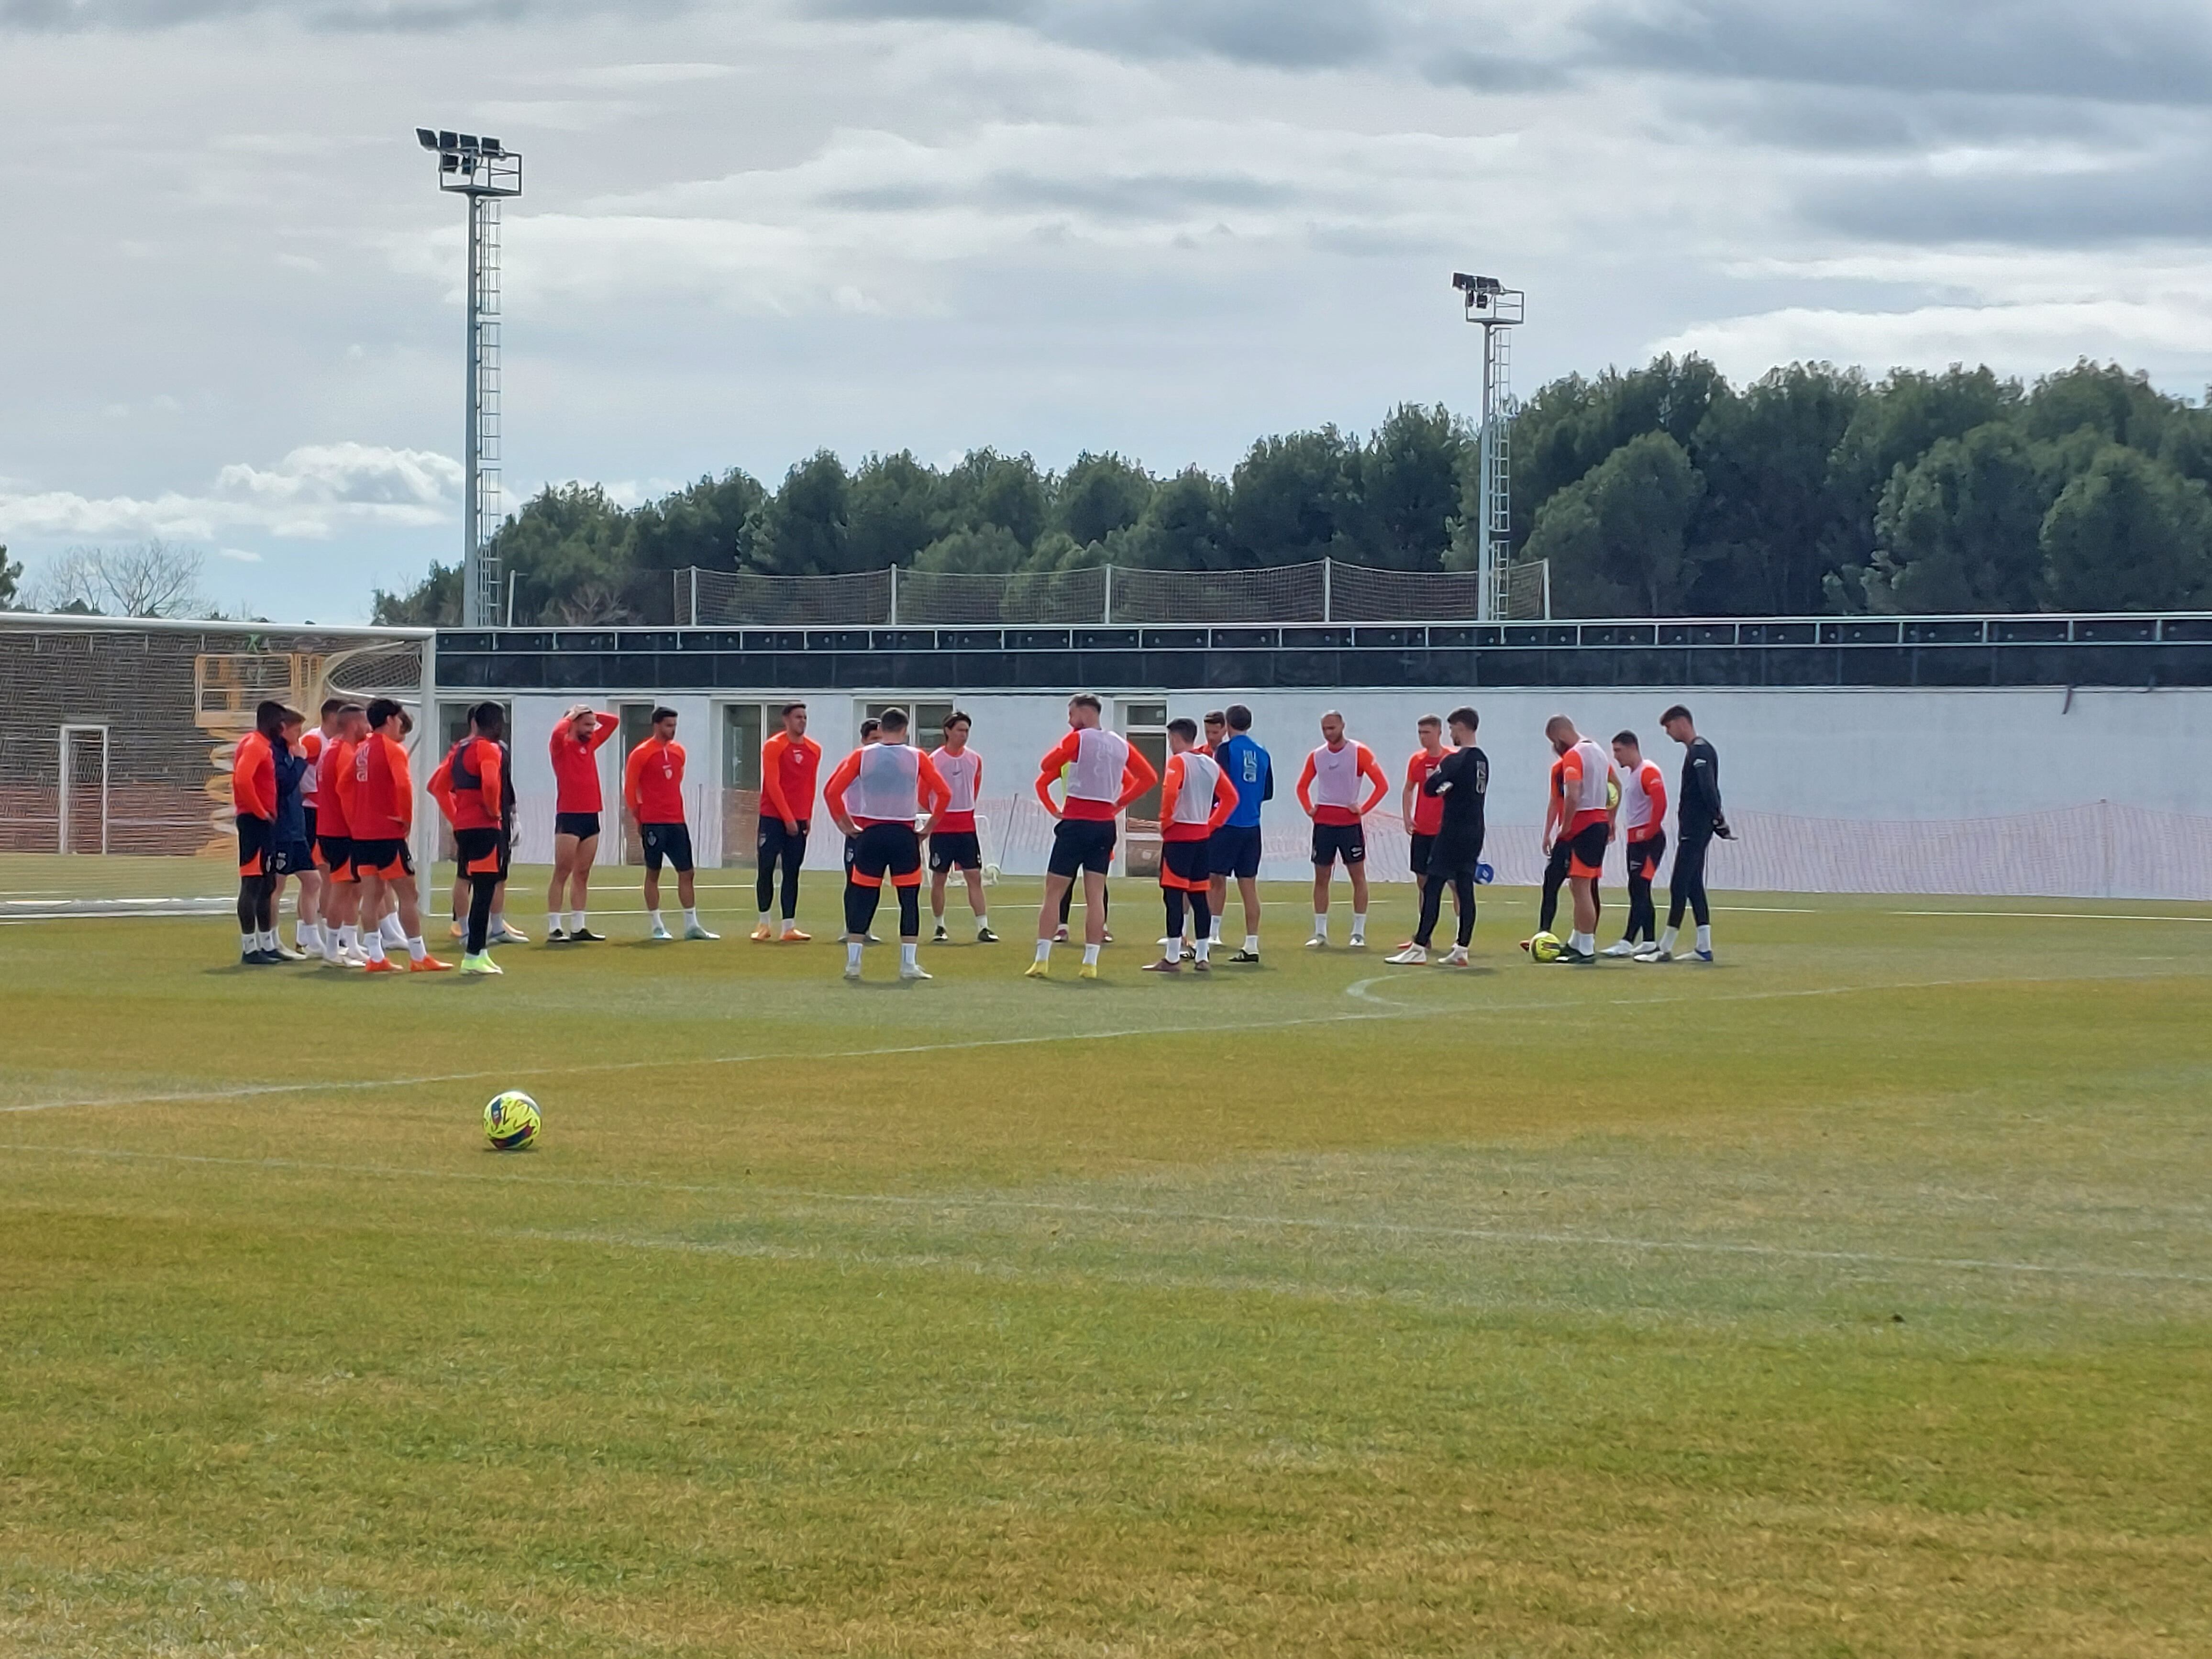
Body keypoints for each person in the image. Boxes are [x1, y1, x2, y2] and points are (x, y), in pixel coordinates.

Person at [1029, 694, 1157, 980]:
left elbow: (1047, 765)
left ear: (1083, 714)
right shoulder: (1119, 743)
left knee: (1053, 892)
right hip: (1104, 824)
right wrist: (1119, 802)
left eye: (1071, 714)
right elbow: (1148, 777)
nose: (1069, 720)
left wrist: (1069, 743)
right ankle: (1090, 962)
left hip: (1076, 821)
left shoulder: (1078, 739)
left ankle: (1042, 958)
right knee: (1095, 894)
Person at [823, 706, 950, 981]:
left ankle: (853, 965)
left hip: (871, 833)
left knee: (863, 897)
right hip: (904, 834)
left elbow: (831, 792)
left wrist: (845, 825)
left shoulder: (862, 756)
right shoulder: (917, 757)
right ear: (905, 729)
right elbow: (944, 793)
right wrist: (929, 827)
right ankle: (908, 965)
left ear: (881, 729)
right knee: (909, 900)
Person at [345, 697, 446, 973]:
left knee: (372, 895)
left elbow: (344, 786)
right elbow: (403, 785)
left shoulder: (360, 750)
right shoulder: (393, 750)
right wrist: (406, 820)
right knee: (408, 894)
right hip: (387, 833)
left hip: (363, 834)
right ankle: (418, 955)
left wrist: (354, 818)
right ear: (390, 719)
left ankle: (376, 957)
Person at [1387, 708, 1487, 966]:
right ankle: (1462, 947)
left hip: (1452, 831)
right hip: (1475, 830)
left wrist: (1445, 786)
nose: (1452, 734)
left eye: (1453, 728)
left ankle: (1419, 945)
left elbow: (1431, 787)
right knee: (1465, 888)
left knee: (1432, 886)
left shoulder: (1457, 759)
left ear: (1462, 728)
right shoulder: (1482, 760)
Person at [1143, 718, 1238, 973]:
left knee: (1173, 896)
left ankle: (1173, 957)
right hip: (1201, 838)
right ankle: (1203, 956)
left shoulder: (1178, 762)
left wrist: (1165, 822)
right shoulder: (1210, 764)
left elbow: (1171, 793)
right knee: (1199, 897)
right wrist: (1211, 824)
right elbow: (1231, 798)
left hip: (1180, 837)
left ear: (1176, 738)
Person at [1639, 704, 1731, 964]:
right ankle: (1704, 947)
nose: (1669, 734)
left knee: (1678, 884)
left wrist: (1716, 817)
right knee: (1693, 885)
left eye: (1669, 727)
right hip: (1696, 828)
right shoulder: (1699, 750)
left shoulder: (1699, 750)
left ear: (1681, 722)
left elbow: (1708, 787)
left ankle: (1665, 947)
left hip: (1696, 829)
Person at [430, 701, 513, 975]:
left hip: (465, 828)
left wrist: (457, 818)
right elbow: (490, 783)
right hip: (485, 827)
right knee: (484, 890)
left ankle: (479, 952)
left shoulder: (459, 750)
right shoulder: (488, 749)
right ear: (496, 723)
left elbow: (437, 787)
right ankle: (474, 955)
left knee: (475, 885)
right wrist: (492, 811)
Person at [1296, 710, 1388, 949]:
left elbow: (1382, 785)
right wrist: (1309, 808)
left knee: (1357, 876)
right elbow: (1302, 786)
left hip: (1349, 823)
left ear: (1342, 726)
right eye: (1325, 729)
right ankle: (1320, 933)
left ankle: (1358, 932)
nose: (1329, 733)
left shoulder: (1359, 752)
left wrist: (1362, 808)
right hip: (1324, 823)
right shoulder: (1317, 756)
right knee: (1322, 878)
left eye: (1332, 728)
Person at [624, 706, 715, 940]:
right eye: (668, 726)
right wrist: (639, 818)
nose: (672, 730)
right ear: (657, 725)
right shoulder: (641, 753)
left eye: (675, 726)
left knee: (687, 872)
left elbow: (675, 780)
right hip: (653, 822)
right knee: (653, 873)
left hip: (677, 820)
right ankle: (657, 925)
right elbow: (630, 789)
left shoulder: (679, 752)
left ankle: (692, 925)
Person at [1539, 714, 1615, 965]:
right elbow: (1616, 787)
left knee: (1581, 888)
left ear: (1561, 736)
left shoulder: (1574, 755)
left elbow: (1573, 794)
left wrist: (1567, 826)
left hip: (1585, 825)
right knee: (1580, 886)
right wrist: (1611, 818)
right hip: (1599, 822)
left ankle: (1586, 947)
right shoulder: (1600, 753)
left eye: (1554, 741)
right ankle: (1578, 941)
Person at [548, 703, 618, 943]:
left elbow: (613, 723)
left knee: (583, 873)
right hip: (569, 814)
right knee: (562, 871)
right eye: (586, 725)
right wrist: (571, 716)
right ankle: (555, 926)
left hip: (591, 814)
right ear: (574, 724)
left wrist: (590, 713)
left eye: (592, 725)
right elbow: (557, 733)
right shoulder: (562, 747)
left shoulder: (590, 744)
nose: (592, 728)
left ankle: (579, 925)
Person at [753, 701, 822, 942]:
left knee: (792, 872)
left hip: (799, 819)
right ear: (786, 720)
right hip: (773, 818)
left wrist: (807, 817)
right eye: (797, 717)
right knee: (766, 868)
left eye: (804, 717)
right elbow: (772, 785)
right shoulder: (774, 746)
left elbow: (810, 786)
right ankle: (763, 923)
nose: (802, 721)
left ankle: (789, 927)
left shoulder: (814, 749)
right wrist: (787, 817)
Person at [1207, 703, 1271, 962]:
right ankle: (1252, 943)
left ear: (1228, 724)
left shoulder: (1225, 750)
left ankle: (1212, 934)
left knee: (1216, 879)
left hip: (1227, 824)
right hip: (1252, 826)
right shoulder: (1263, 752)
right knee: (1249, 886)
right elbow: (1268, 792)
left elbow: (1218, 786)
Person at [928, 710, 996, 943]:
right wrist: (936, 815)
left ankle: (983, 927)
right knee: (939, 878)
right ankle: (939, 926)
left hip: (966, 827)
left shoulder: (974, 759)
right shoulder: (935, 760)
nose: (964, 735)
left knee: (974, 876)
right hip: (942, 829)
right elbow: (923, 793)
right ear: (948, 731)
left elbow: (974, 788)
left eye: (967, 731)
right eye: (960, 730)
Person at [1603, 730, 1670, 957]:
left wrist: (1648, 833)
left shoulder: (1648, 771)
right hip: (1636, 843)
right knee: (1637, 888)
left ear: (1632, 748)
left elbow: (1661, 803)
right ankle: (1646, 941)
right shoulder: (1633, 775)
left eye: (1618, 751)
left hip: (1650, 843)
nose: (1616, 757)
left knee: (1640, 887)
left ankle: (1632, 941)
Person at [230, 700, 284, 964]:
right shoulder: (254, 745)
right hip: (254, 822)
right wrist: (260, 811)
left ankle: (265, 945)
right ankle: (249, 949)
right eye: (281, 723)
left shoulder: (262, 745)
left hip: (263, 823)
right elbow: (242, 779)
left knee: (267, 883)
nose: (283, 728)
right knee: (252, 883)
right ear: (271, 722)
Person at [315, 702, 366, 966]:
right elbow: (347, 797)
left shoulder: (332, 750)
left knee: (354, 888)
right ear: (355, 725)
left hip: (331, 828)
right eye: (365, 723)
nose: (369, 729)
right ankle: (332, 948)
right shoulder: (344, 753)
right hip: (341, 831)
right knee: (342, 888)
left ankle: (352, 944)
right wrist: (357, 828)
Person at [265, 707, 315, 960]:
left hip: (296, 829)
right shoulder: (275, 754)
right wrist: (300, 761)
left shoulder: (287, 752)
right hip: (282, 829)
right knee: (276, 886)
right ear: (283, 729)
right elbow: (284, 785)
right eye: (297, 730)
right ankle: (271, 940)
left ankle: (309, 938)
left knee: (313, 880)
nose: (300, 735)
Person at [1400, 714, 1453, 948]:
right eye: (1420, 733)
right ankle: (1425, 936)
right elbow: (1409, 789)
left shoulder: (1452, 759)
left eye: (1428, 733)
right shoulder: (1417, 760)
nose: (1423, 738)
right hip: (1422, 830)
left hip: (1445, 832)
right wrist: (1407, 816)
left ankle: (1461, 939)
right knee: (1423, 882)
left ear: (1439, 733)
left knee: (1454, 883)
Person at [288, 700, 335, 958]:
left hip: (319, 811)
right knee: (315, 874)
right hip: (309, 813)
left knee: (319, 875)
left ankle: (309, 934)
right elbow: (299, 766)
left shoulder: (329, 742)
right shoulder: (315, 741)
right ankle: (308, 934)